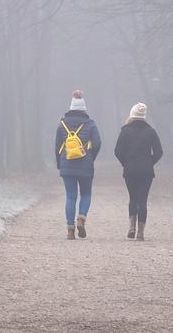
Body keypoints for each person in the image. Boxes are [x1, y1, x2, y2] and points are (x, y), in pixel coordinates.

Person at [54, 89, 101, 239]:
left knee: (70, 196)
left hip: (67, 164)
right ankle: (81, 218)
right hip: (85, 164)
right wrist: (91, 157)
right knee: (86, 193)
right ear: (83, 108)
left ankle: (70, 230)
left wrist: (59, 163)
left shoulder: (62, 124)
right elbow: (98, 143)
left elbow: (57, 146)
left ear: (71, 107)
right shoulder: (90, 124)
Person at [114, 102, 164, 240]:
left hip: (130, 170)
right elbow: (159, 152)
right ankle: (141, 232)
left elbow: (117, 151)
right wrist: (149, 162)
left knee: (133, 198)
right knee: (143, 200)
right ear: (144, 116)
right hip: (146, 171)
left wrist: (126, 163)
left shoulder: (125, 131)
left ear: (132, 115)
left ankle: (132, 227)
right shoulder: (150, 131)